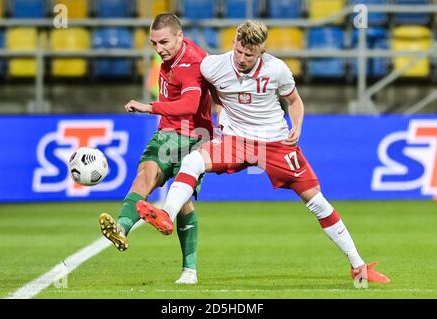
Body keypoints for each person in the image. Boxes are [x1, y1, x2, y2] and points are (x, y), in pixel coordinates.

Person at [137, 20, 390, 285]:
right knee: (192, 161)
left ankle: (358, 266)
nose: (243, 58)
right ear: (234, 42)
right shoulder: (213, 65)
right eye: (239, 51)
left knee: (317, 202)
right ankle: (166, 214)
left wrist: (298, 126)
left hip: (275, 144)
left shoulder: (277, 69)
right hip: (236, 140)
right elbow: (207, 89)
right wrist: (221, 112)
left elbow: (293, 101)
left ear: (262, 51)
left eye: (250, 54)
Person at [99, 13, 214, 285]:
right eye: (153, 43)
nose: (159, 48)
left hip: (194, 137)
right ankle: (122, 229)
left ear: (179, 36)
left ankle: (189, 270)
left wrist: (148, 106)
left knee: (183, 201)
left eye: (164, 42)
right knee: (143, 178)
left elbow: (189, 106)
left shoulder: (192, 63)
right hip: (166, 133)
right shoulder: (167, 58)